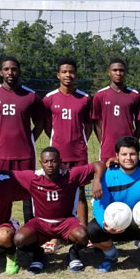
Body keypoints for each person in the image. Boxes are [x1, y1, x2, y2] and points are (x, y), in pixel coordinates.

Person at [87, 136, 140, 272]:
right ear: (117, 156)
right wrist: (104, 224)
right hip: (116, 225)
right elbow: (99, 206)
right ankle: (111, 255)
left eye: (132, 154)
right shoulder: (107, 174)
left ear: (138, 155)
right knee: (92, 230)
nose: (128, 158)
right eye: (124, 154)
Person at [12, 147, 105, 274]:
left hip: (66, 221)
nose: (50, 165)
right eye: (46, 161)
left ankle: (73, 254)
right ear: (41, 163)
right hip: (41, 222)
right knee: (19, 239)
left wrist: (97, 181)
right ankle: (38, 254)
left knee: (83, 235)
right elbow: (9, 174)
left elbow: (99, 164)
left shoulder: (71, 175)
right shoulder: (33, 177)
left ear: (60, 161)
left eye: (53, 161)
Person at [0, 57, 45, 224]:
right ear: (1, 72)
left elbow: (40, 122)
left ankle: (30, 229)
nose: (10, 72)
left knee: (28, 192)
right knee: (1, 192)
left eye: (14, 69)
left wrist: (29, 137)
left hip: (25, 153)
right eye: (7, 69)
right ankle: (3, 228)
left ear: (19, 71)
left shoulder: (31, 96)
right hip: (1, 154)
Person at [42, 57, 93, 253]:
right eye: (64, 72)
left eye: (71, 72)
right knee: (58, 194)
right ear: (58, 75)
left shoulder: (85, 98)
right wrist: (58, 144)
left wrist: (79, 142)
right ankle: (56, 235)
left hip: (78, 152)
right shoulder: (49, 99)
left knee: (79, 193)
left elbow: (88, 126)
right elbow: (47, 125)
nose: (68, 75)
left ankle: (83, 232)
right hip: (57, 156)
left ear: (76, 75)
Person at [92, 58, 140, 163]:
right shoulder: (100, 95)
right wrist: (103, 141)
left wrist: (133, 141)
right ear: (109, 73)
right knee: (107, 176)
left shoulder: (135, 95)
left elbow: (139, 124)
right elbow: (96, 123)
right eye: (115, 70)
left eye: (121, 70)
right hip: (107, 147)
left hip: (128, 147)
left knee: (129, 177)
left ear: (125, 72)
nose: (118, 73)